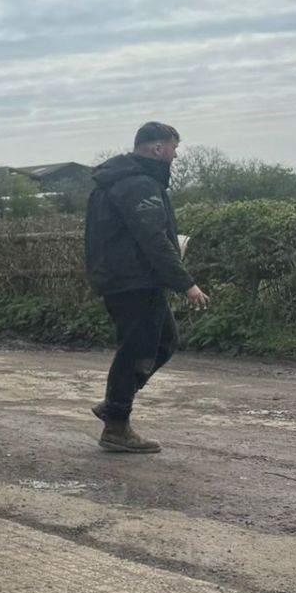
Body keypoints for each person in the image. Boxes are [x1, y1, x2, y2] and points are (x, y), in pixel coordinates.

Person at [83, 121, 211, 454]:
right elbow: (153, 239)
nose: (174, 156)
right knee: (137, 349)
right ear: (157, 149)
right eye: (173, 149)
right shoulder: (138, 185)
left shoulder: (118, 181)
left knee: (164, 342)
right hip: (134, 281)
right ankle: (117, 425)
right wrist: (187, 284)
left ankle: (115, 404)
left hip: (123, 278)